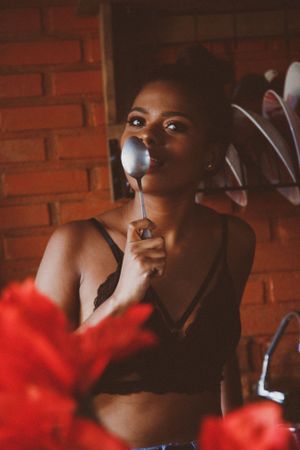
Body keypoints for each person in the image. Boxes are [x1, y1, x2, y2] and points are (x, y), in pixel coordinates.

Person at [35, 44, 256, 450]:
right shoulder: (75, 243)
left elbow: (224, 364)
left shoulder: (235, 241)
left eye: (174, 126)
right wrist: (120, 301)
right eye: (137, 121)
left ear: (210, 155)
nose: (148, 136)